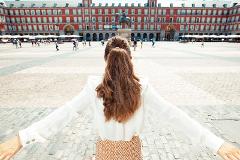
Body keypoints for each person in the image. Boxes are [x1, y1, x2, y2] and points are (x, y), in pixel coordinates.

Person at [0, 36, 239, 160]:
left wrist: (22, 137)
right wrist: (216, 143)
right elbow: (174, 116)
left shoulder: (93, 87)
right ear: (130, 58)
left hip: (105, 153)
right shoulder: (142, 87)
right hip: (131, 153)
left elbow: (63, 114)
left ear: (105, 60)